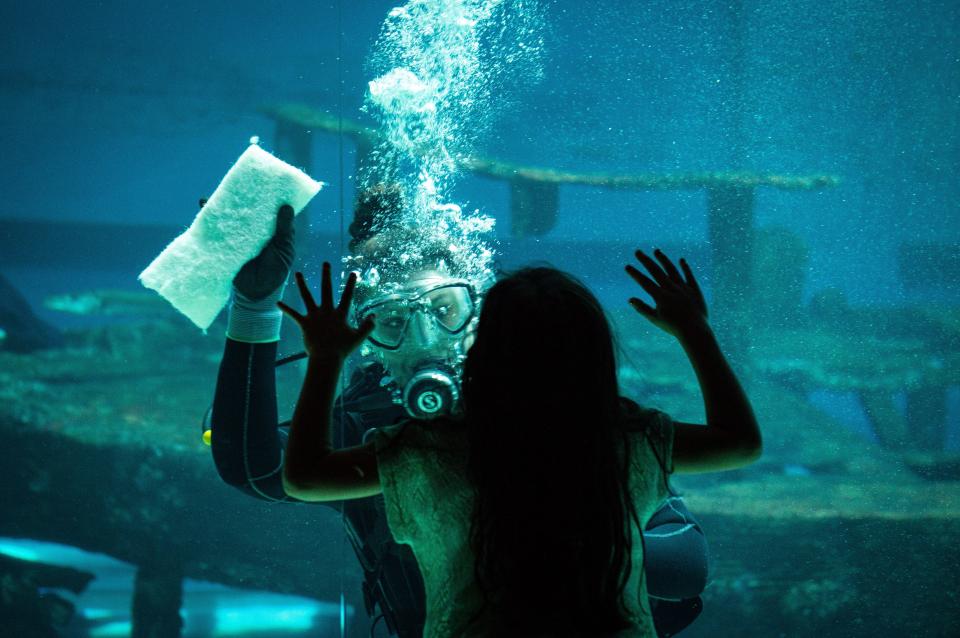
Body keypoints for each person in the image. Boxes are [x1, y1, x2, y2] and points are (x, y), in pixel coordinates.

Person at [209, 190, 712, 637]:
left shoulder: (550, 405)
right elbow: (255, 469)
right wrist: (255, 306)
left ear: (480, 316)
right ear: (367, 340)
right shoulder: (370, 426)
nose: (425, 342)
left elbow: (684, 561)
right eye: (392, 321)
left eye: (446, 311)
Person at [278, 250, 762, 637]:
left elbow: (303, 478)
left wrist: (325, 359)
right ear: (596, 355)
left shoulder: (426, 453)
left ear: (480, 346)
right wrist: (695, 331)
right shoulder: (630, 441)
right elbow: (739, 443)